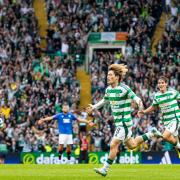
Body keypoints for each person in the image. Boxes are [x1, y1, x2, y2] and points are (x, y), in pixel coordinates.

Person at [86, 64, 161, 177]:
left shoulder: (124, 88)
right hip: (119, 124)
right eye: (107, 75)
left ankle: (105, 169)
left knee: (113, 144)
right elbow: (104, 101)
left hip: (124, 123)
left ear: (117, 77)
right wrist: (94, 107)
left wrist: (140, 107)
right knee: (132, 145)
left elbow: (137, 99)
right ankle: (152, 133)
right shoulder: (108, 90)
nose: (108, 77)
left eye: (110, 75)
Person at [138, 76, 180, 157]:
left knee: (164, 136)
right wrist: (144, 112)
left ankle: (178, 146)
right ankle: (178, 147)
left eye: (162, 83)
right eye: (159, 83)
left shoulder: (173, 93)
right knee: (173, 138)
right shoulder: (157, 95)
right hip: (166, 120)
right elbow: (153, 107)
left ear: (166, 84)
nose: (160, 84)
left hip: (175, 118)